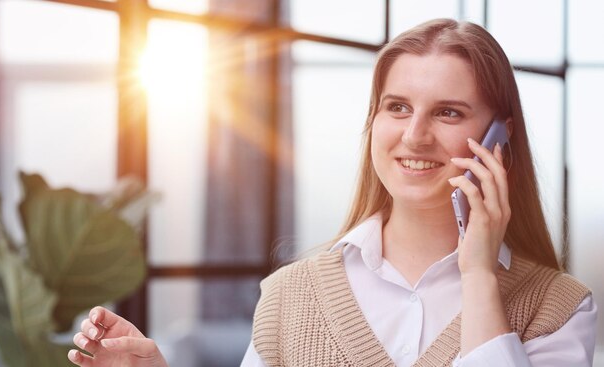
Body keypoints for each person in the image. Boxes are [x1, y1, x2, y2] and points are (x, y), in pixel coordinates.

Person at [68, 18, 597, 367]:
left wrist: (479, 274)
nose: (414, 135)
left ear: (498, 135)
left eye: (448, 112)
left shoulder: (558, 308)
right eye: (397, 107)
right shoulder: (289, 296)